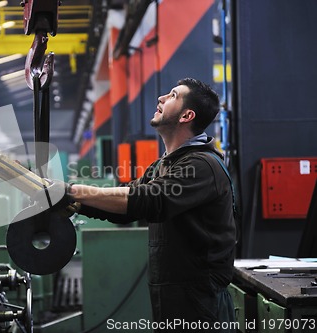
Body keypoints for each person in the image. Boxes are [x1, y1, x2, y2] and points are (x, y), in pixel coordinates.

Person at [68, 78, 237, 332]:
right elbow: (130, 200)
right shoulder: (164, 165)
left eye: (172, 96)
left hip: (202, 301)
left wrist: (73, 191)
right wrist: (76, 203)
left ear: (186, 115)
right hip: (172, 295)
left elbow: (151, 200)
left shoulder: (202, 165)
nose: (160, 98)